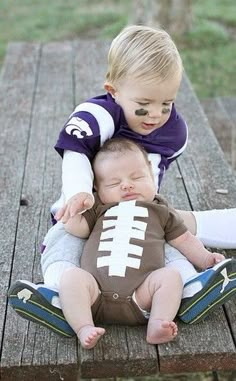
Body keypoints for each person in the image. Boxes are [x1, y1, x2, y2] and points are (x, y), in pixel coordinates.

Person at [8, 25, 236, 338]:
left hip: (139, 217)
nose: (155, 115)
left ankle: (190, 290)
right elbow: (75, 156)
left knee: (168, 248)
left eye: (166, 103)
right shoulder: (97, 115)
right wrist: (77, 195)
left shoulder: (172, 132)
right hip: (84, 213)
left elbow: (152, 177)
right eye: (143, 105)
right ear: (114, 91)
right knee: (64, 248)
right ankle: (58, 297)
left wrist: (155, 214)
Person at [61, 138, 227, 348]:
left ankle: (158, 323)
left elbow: (184, 239)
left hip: (140, 298)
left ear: (151, 174)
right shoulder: (100, 209)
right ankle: (83, 326)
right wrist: (71, 213)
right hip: (93, 296)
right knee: (71, 277)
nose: (127, 185)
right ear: (97, 188)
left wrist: (205, 258)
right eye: (113, 183)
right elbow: (78, 228)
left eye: (137, 177)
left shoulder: (161, 211)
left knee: (170, 276)